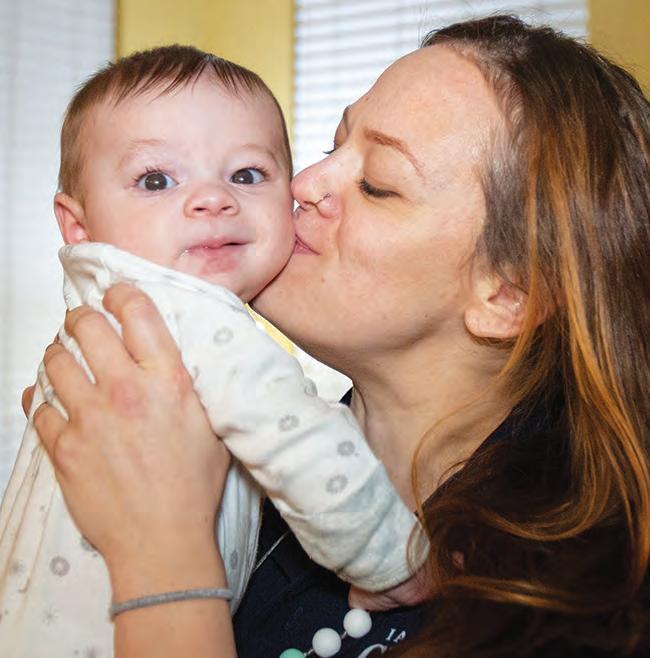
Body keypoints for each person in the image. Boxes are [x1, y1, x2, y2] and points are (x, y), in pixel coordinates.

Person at [29, 13, 650, 658]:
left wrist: (162, 556)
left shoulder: (584, 600)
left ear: (508, 295)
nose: (301, 185)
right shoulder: (236, 456)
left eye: (377, 184)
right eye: (331, 148)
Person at [0, 46, 427, 658]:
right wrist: (393, 562)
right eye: (156, 180)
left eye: (247, 175)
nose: (213, 199)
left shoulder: (106, 321)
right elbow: (304, 447)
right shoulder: (186, 318)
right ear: (78, 227)